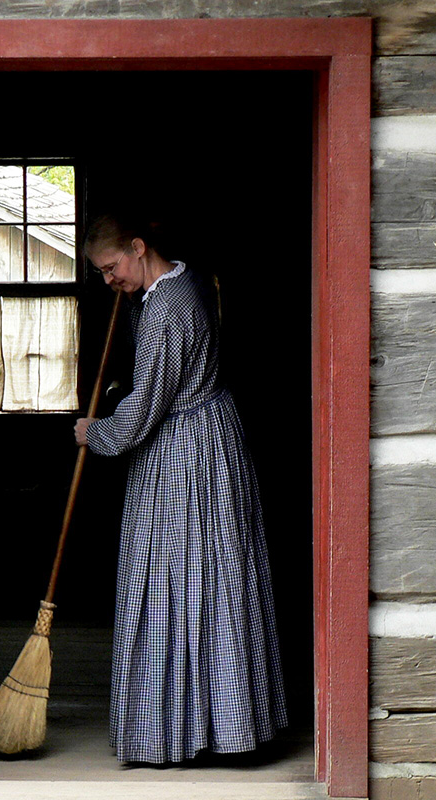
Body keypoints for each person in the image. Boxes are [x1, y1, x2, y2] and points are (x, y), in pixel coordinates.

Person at [74, 214, 287, 764]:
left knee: (176, 576)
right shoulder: (187, 284)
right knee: (211, 575)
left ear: (139, 249)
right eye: (101, 273)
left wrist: (95, 431)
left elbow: (144, 410)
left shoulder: (165, 310)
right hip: (213, 444)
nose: (109, 281)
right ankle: (223, 726)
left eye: (111, 268)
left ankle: (178, 732)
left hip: (185, 459)